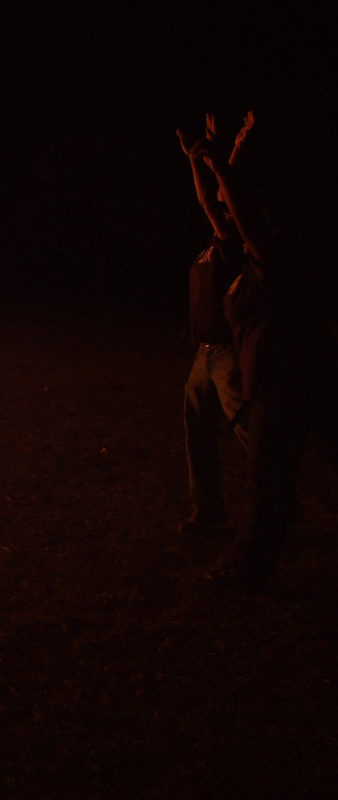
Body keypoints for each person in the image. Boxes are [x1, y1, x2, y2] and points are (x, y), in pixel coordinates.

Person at [190, 112, 335, 589]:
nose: (232, 217)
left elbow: (241, 215)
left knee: (266, 481)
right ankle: (251, 562)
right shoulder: (251, 255)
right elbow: (220, 209)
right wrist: (213, 161)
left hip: (282, 377)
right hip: (288, 375)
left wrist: (222, 167)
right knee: (281, 474)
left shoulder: (274, 259)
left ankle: (249, 565)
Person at [175, 113, 252, 537]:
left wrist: (209, 157)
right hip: (204, 354)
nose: (215, 202)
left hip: (226, 351)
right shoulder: (212, 243)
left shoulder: (233, 241)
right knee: (198, 428)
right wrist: (199, 156)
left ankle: (277, 492)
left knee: (246, 426)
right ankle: (208, 508)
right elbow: (212, 195)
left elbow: (212, 197)